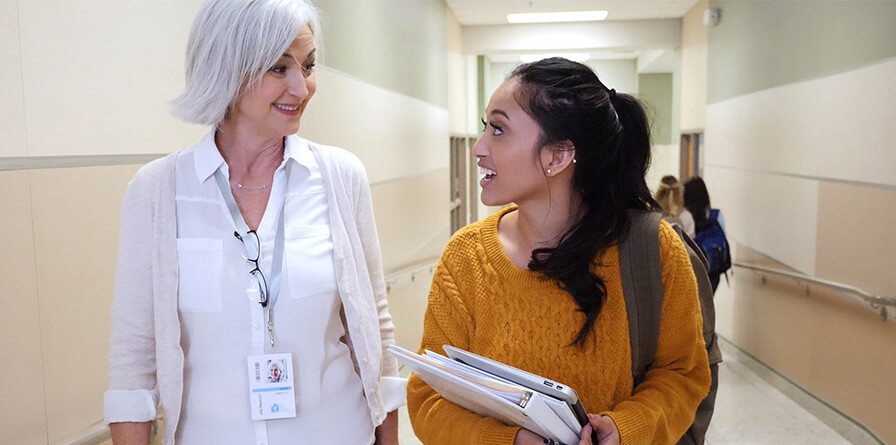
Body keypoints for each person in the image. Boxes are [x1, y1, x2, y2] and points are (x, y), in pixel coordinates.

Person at [104, 1, 403, 443]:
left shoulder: (341, 177)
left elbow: (374, 331)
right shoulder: (157, 191)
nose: (302, 89)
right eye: (279, 69)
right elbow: (133, 360)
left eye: (308, 65)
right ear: (228, 68)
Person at [406, 58, 710, 445]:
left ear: (558, 156)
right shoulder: (465, 258)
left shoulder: (654, 250)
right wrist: (508, 441)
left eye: (498, 130)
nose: (479, 148)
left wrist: (625, 428)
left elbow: (683, 374)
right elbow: (426, 397)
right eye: (485, 127)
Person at [684, 177, 731, 291]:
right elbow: (723, 238)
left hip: (695, 271)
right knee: (707, 305)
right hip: (714, 271)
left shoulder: (688, 217)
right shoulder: (717, 214)